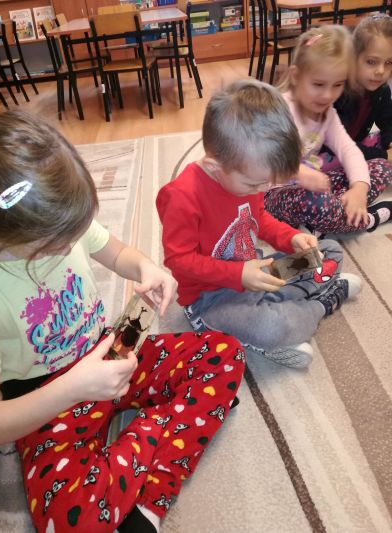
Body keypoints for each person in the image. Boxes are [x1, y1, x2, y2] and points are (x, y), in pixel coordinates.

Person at [0, 110, 245, 533]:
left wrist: (147, 267)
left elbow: (118, 253)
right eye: (58, 243)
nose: (72, 245)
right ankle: (169, 431)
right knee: (69, 521)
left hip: (112, 352)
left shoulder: (61, 219)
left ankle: (148, 495)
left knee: (224, 352)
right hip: (47, 400)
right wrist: (72, 388)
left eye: (75, 233)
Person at [156, 79, 362, 372]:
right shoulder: (181, 196)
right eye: (254, 184)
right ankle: (323, 302)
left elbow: (260, 219)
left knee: (328, 251)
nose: (262, 189)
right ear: (215, 166)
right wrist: (238, 274)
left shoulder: (249, 176)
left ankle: (284, 301)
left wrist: (291, 238)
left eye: (267, 182)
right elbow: (179, 260)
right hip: (211, 299)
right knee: (273, 327)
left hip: (260, 272)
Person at [263, 25, 392, 235]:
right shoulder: (279, 109)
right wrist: (299, 172)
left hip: (317, 186)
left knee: (382, 167)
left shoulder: (328, 113)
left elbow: (348, 150)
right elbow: (260, 158)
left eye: (337, 85)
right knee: (316, 202)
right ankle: (368, 219)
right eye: (318, 84)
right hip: (274, 193)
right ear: (295, 76)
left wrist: (359, 189)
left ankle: (333, 214)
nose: (328, 95)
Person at [330, 14, 392, 231]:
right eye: (371, 62)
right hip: (324, 158)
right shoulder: (337, 89)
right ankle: (342, 211)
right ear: (353, 57)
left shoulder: (381, 89)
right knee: (381, 163)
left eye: (389, 63)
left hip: (354, 153)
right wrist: (382, 155)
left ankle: (346, 210)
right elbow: (337, 145)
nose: (381, 71)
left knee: (383, 166)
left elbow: (388, 121)